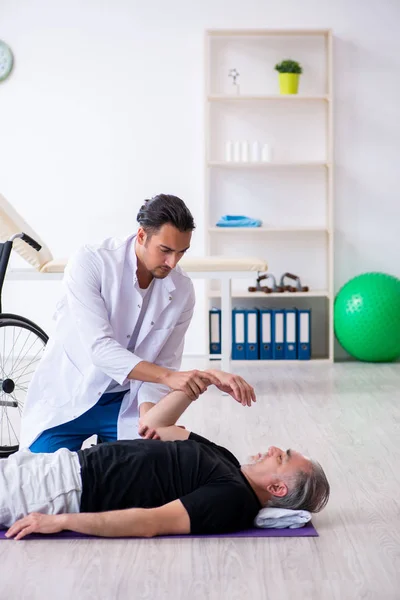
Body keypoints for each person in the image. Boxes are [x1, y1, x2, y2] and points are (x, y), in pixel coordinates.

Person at [4, 370, 330, 540]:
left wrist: (58, 521)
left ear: (277, 489)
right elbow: (154, 424)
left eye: (281, 457)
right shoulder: (227, 461)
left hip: (67, 490)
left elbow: (149, 523)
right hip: (66, 463)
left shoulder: (232, 499)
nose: (273, 449)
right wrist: (207, 377)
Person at [20, 194, 223, 453]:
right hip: (71, 395)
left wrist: (150, 421)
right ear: (141, 236)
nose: (173, 262)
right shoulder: (91, 262)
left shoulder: (182, 290)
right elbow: (100, 349)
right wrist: (169, 377)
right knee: (42, 481)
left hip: (125, 402)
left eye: (181, 252)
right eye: (165, 250)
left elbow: (164, 362)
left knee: (134, 481)